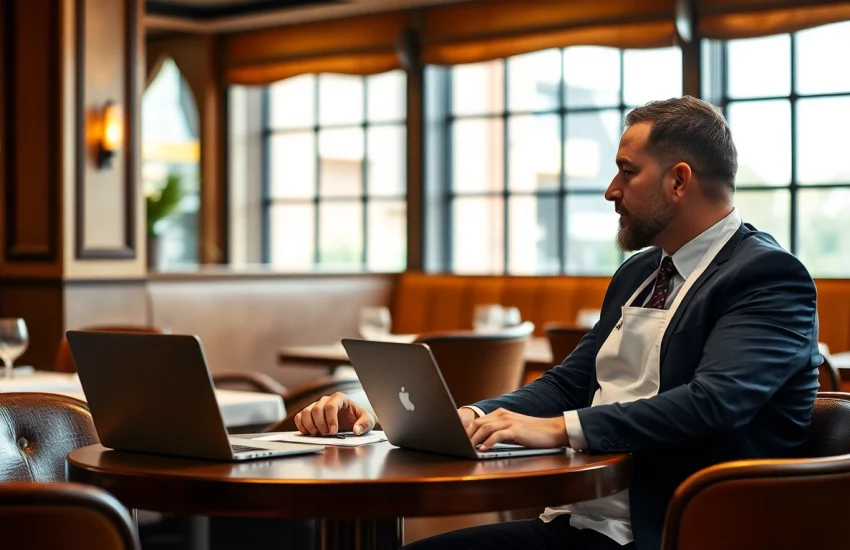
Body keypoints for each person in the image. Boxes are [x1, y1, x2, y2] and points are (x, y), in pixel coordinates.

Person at [292, 96, 822, 550]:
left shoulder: (767, 276)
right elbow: (569, 382)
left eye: (627, 171)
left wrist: (560, 428)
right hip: (580, 522)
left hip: (666, 532)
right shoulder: (641, 270)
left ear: (678, 180)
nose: (612, 190)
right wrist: (471, 416)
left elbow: (716, 401)